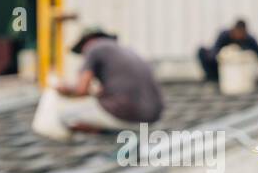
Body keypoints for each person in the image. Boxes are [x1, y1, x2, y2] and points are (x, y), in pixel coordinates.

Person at [33, 28, 163, 141]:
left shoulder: (93, 48)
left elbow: (81, 90)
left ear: (87, 41)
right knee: (96, 107)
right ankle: (124, 140)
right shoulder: (128, 51)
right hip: (153, 117)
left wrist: (60, 88)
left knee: (64, 117)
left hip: (127, 114)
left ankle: (69, 154)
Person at [197, 19, 258, 87]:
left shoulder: (249, 39)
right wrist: (225, 56)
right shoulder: (224, 35)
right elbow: (214, 52)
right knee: (201, 51)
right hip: (220, 67)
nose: (240, 36)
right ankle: (212, 78)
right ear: (234, 30)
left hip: (239, 72)